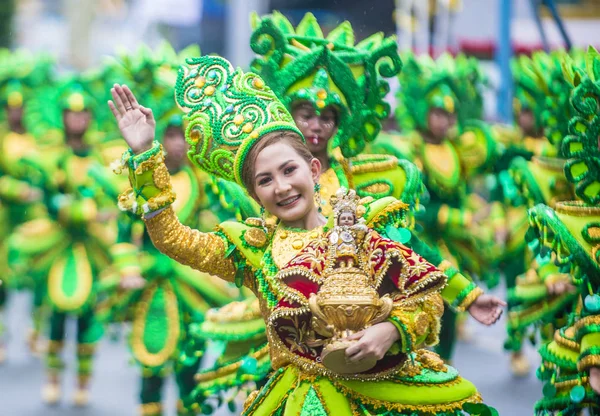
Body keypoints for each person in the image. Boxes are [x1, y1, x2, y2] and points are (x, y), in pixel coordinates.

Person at [108, 54, 502, 415]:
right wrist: (144, 155)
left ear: (314, 171)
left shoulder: (362, 226)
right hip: (296, 399)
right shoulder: (252, 249)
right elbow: (172, 239)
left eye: (289, 171)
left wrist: (389, 331)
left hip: (377, 397)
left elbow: (422, 298)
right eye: (265, 180)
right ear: (255, 195)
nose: (281, 187)